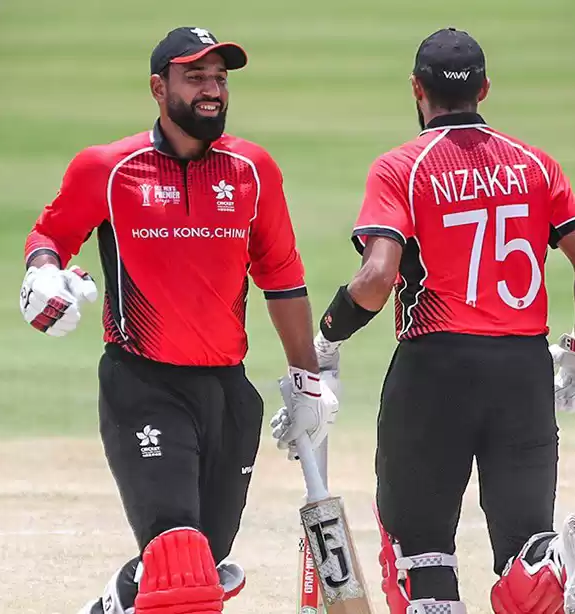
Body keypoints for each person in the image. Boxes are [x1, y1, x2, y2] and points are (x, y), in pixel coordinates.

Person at [274, 28, 575, 614]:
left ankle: (479, 581)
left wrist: (326, 337)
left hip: (435, 372)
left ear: (417, 88)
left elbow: (376, 279)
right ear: (484, 89)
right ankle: (552, 562)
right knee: (522, 544)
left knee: (420, 555)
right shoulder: (537, 165)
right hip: (523, 371)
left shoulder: (401, 167)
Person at [18, 26, 338, 614]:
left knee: (201, 568)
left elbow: (283, 279)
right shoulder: (109, 168)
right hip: (144, 385)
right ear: (158, 88)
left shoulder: (252, 169)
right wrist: (42, 273)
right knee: (179, 562)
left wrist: (306, 379)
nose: (212, 89)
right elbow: (51, 236)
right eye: (195, 78)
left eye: (219, 78)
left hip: (228, 392)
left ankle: (114, 604)